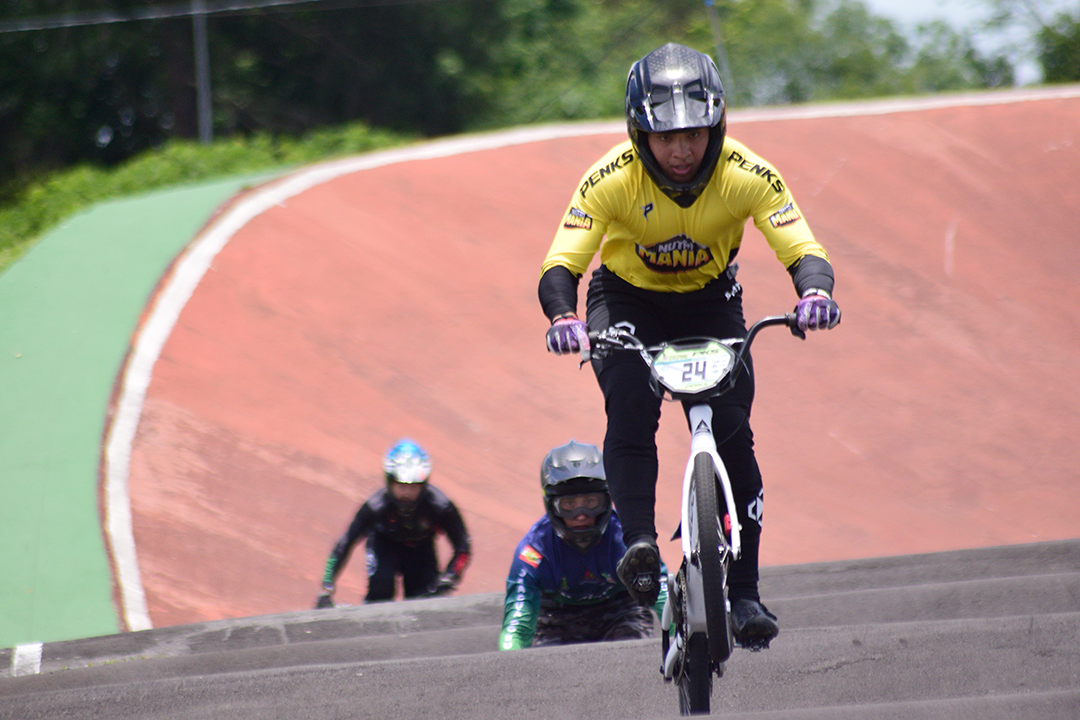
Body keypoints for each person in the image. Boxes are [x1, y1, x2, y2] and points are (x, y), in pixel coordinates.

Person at [538, 43, 841, 648]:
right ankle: (640, 546)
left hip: (711, 301)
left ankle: (746, 593)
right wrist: (563, 316)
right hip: (626, 302)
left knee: (733, 432)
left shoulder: (747, 173)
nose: (681, 151)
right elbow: (561, 263)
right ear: (639, 134)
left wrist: (815, 292)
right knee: (630, 406)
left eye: (695, 135)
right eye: (665, 137)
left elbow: (803, 248)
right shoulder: (609, 179)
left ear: (717, 125)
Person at [499, 440, 667, 650]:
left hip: (622, 613)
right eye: (569, 505)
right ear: (551, 505)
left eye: (590, 502)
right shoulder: (534, 551)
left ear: (607, 500)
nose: (581, 515)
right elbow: (517, 626)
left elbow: (664, 597)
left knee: (630, 653)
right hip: (555, 620)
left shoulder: (626, 539)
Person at [315, 439, 471, 606]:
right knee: (381, 587)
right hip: (384, 546)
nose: (407, 493)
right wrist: (327, 587)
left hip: (421, 550)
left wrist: (451, 576)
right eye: (401, 486)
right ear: (389, 482)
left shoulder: (441, 506)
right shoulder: (375, 507)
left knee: (426, 599)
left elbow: (463, 545)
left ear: (424, 485)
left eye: (413, 487)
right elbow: (344, 543)